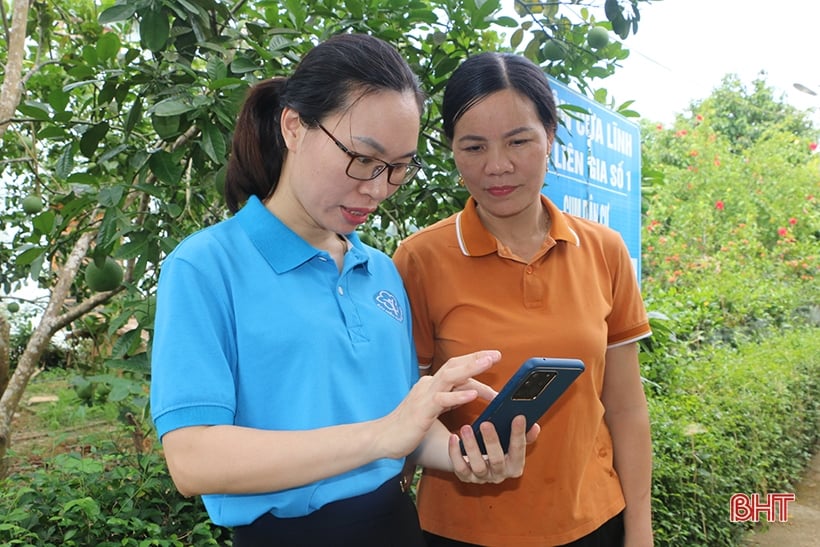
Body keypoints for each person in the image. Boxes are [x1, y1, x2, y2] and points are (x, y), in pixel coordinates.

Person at [149, 35, 538, 546]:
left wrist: (466, 455)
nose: (376, 188)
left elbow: (406, 427)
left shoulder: (378, 271)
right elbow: (193, 459)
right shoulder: (206, 267)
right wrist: (381, 436)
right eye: (361, 157)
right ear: (294, 126)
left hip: (395, 527)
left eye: (398, 167)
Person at [393, 52, 654, 547]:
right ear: (451, 150)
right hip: (462, 530)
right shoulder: (419, 259)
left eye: (519, 141)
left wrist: (639, 529)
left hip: (593, 519)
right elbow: (406, 407)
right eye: (473, 147)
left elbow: (624, 406)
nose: (498, 166)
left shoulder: (604, 250)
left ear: (550, 137)